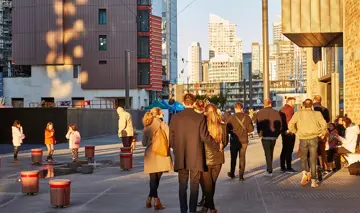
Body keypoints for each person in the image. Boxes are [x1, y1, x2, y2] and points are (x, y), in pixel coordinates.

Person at [169, 94, 220, 213]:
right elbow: (204, 136)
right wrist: (216, 146)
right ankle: (192, 210)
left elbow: (171, 139)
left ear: (183, 102)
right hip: (196, 156)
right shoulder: (199, 118)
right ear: (193, 102)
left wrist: (177, 151)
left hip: (181, 156)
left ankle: (183, 210)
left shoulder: (175, 118)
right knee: (194, 185)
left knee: (182, 186)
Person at [288, 99, 327, 188]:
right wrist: (322, 133)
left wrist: (296, 132)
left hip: (302, 138)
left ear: (304, 105)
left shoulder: (298, 113)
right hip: (314, 137)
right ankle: (313, 181)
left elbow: (290, 124)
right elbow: (324, 124)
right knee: (313, 159)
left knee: (303, 158)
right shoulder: (317, 114)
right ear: (312, 105)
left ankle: (305, 173)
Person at [197, 104, 228, 213]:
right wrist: (220, 146)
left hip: (206, 158)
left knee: (208, 185)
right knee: (212, 184)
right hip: (218, 158)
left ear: (206, 112)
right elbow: (225, 142)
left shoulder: (202, 125)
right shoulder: (223, 126)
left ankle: (211, 207)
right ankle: (207, 207)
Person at [142, 108, 173, 210]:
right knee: (157, 178)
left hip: (150, 154)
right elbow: (169, 140)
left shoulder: (147, 125)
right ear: (158, 114)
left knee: (153, 178)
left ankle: (150, 198)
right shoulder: (163, 124)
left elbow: (144, 143)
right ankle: (156, 200)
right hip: (161, 154)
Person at [226, 102, 254, 181]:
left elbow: (227, 130)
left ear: (235, 109)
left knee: (233, 157)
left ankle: (232, 173)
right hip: (244, 141)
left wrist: (232, 132)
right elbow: (251, 130)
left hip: (234, 140)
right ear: (242, 109)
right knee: (242, 157)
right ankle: (241, 176)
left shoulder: (231, 118)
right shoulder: (247, 117)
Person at [255, 98, 282, 176]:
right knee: (271, 151)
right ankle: (269, 168)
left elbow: (258, 124)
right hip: (273, 136)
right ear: (271, 104)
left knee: (267, 152)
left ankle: (269, 170)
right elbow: (280, 124)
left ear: (264, 104)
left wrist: (260, 134)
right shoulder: (276, 112)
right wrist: (277, 133)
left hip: (265, 135)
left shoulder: (260, 112)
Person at [193, 99, 206, 207]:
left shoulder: (196, 118)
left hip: (199, 151)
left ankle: (205, 198)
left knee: (201, 178)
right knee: (205, 178)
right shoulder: (206, 118)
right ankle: (205, 198)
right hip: (206, 151)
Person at [279, 97, 297, 173]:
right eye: (294, 102)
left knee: (284, 149)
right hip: (289, 132)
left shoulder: (282, 109)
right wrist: (291, 130)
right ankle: (288, 167)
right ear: (290, 101)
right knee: (289, 150)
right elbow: (290, 121)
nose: (294, 104)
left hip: (283, 132)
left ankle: (282, 166)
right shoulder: (290, 109)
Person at [313, 95, 330, 172]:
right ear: (320, 101)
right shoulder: (325, 109)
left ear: (314, 100)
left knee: (314, 151)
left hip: (314, 132)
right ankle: (325, 167)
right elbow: (327, 120)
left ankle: (317, 167)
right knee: (323, 151)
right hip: (322, 132)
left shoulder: (312, 110)